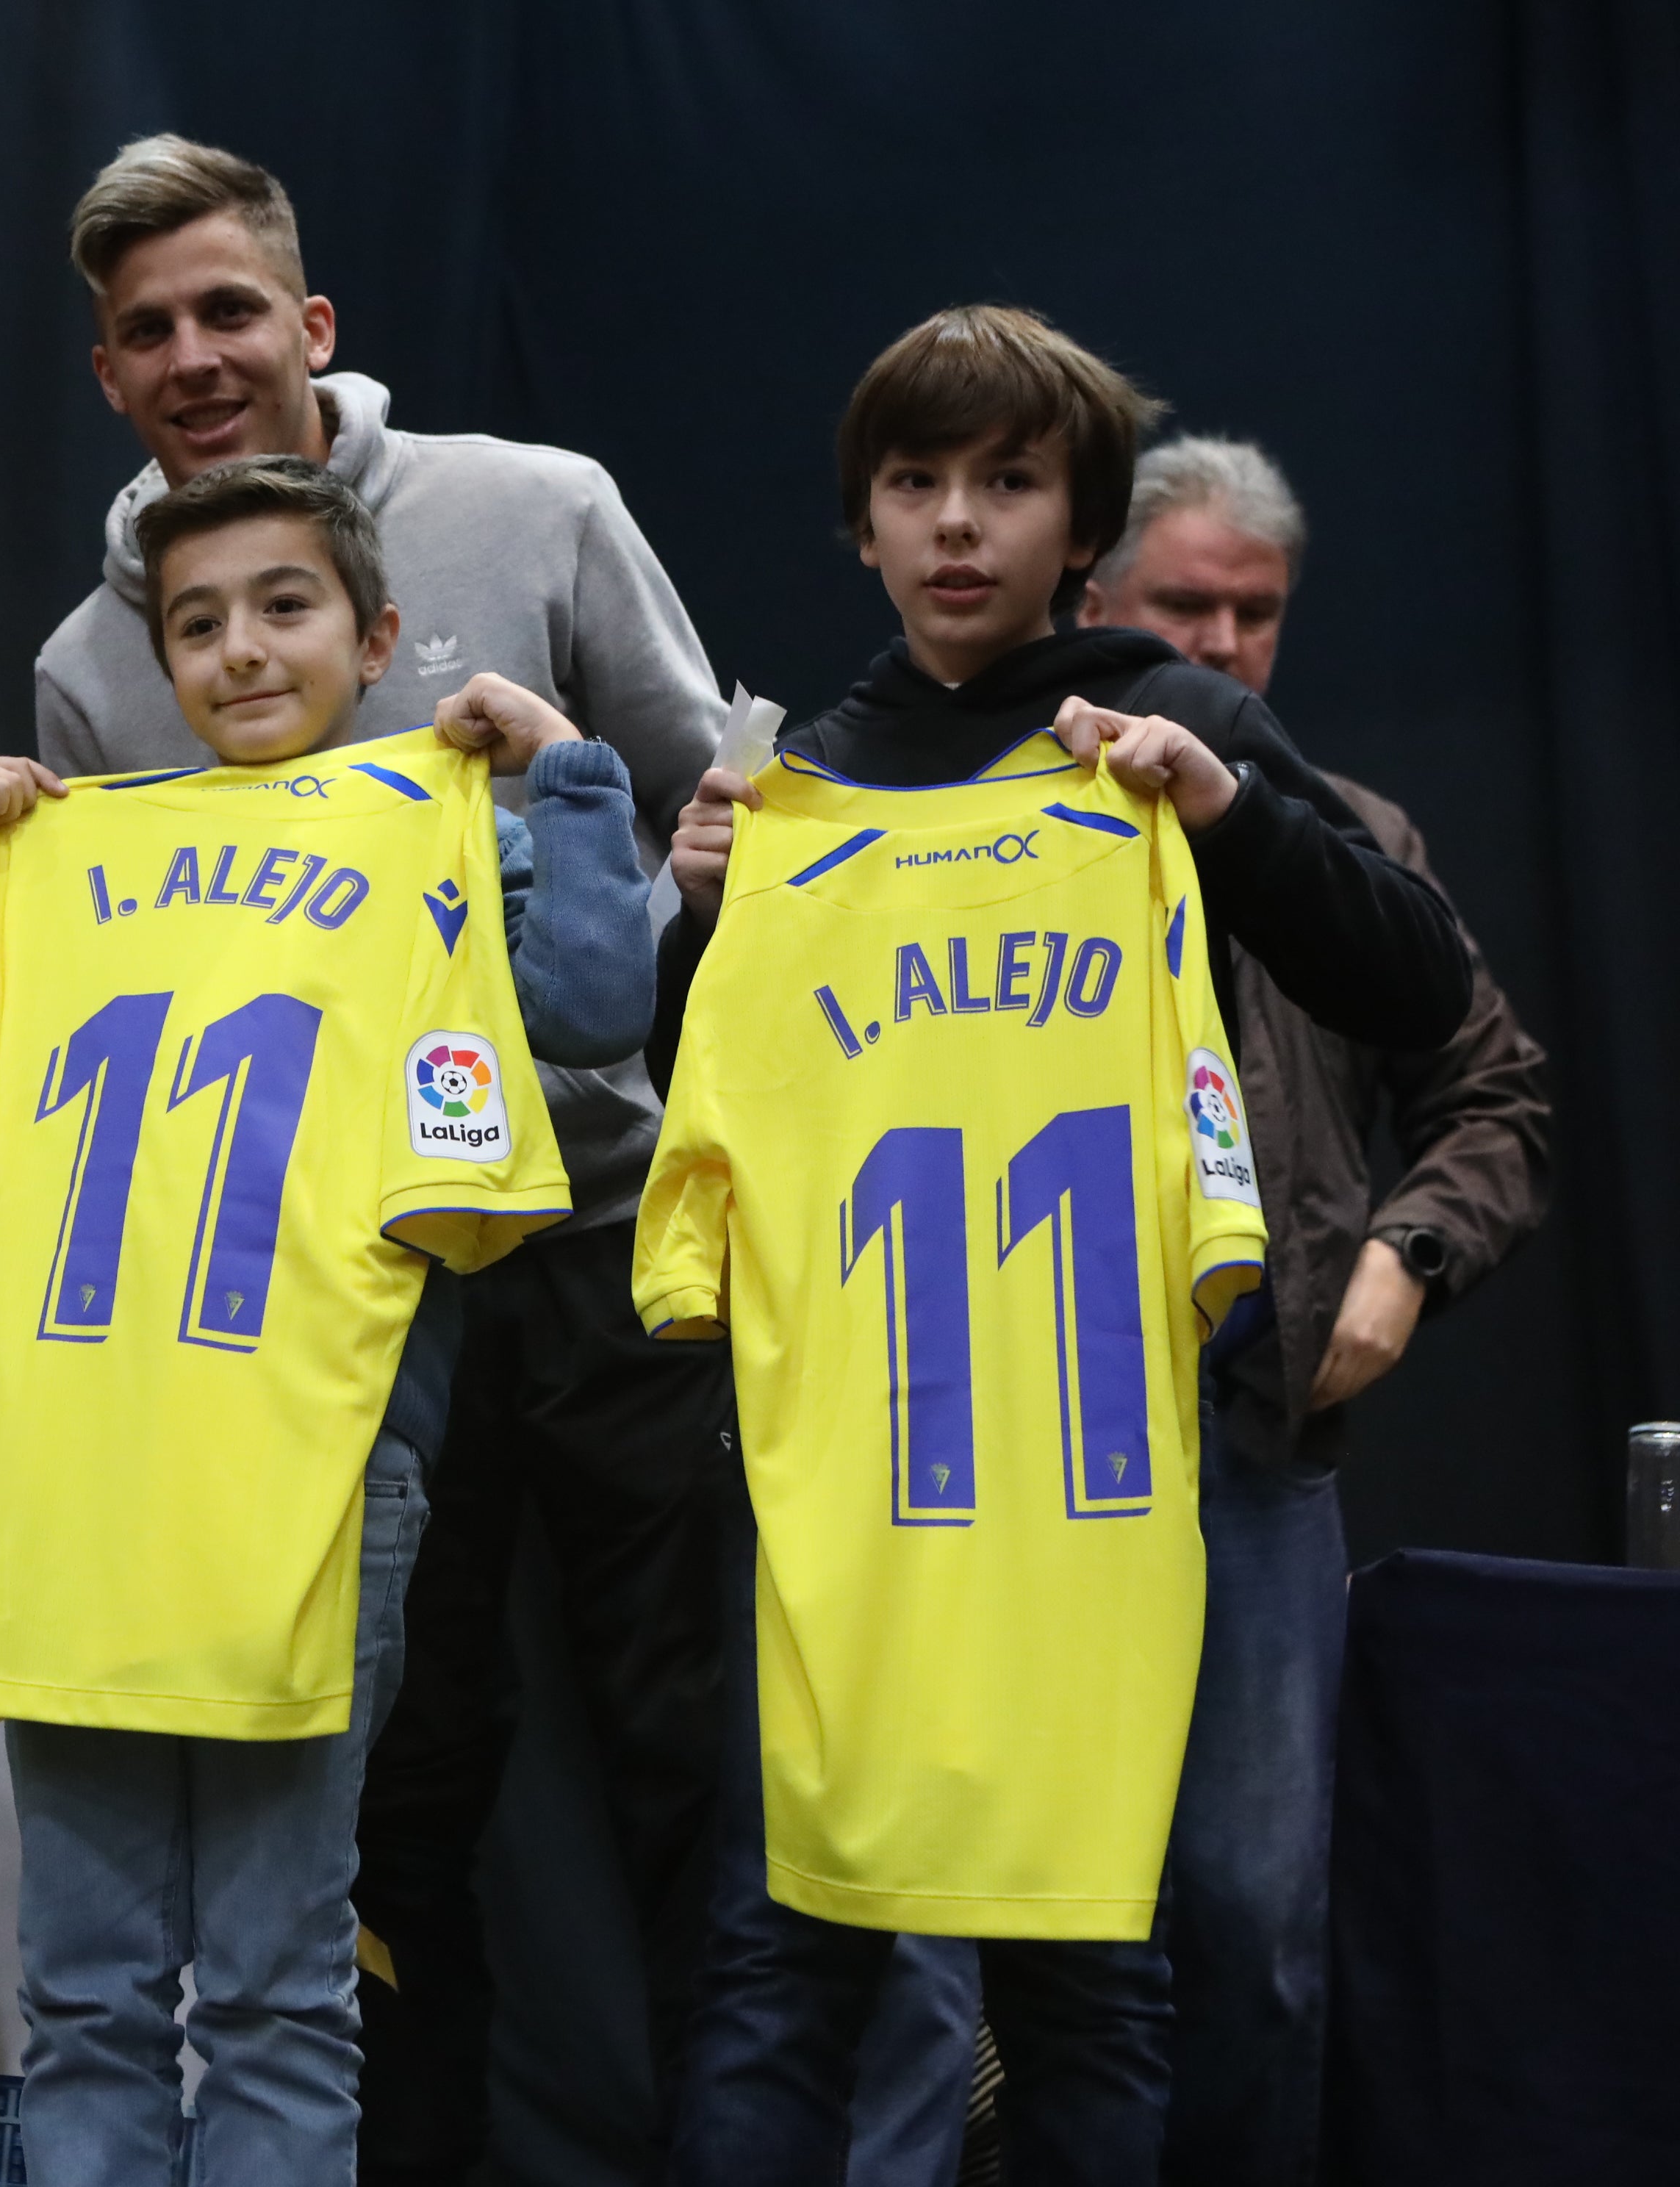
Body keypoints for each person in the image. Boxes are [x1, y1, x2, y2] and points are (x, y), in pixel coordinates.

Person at [653, 308, 1472, 2182]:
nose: (958, 524)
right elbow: (694, 1090)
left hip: (1128, 1465)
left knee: (1115, 1962)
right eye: (916, 484)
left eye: (1008, 485)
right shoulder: (808, 768)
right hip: (860, 1465)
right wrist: (701, 915)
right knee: (786, 1949)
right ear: (861, 523)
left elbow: (1421, 984)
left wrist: (1232, 816)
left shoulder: (1162, 721)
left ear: (1079, 529)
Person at [32, 132, 738, 2175]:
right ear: (106, 374)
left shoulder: (543, 511)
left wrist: (575, 834)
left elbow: (729, 829)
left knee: (674, 1742)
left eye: (228, 310)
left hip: (593, 1232)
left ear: (311, 323)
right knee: (390, 1792)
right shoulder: (89, 672)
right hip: (309, 1315)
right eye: (146, 329)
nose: (194, 354)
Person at [0, 453, 653, 2186]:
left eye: (285, 606)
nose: (242, 649)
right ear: (156, 662)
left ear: (377, 632)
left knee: (277, 1983)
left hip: (325, 1474)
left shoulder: (445, 830)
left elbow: (602, 1006)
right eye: (198, 622)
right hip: (76, 1471)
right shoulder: (66, 854)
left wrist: (571, 778)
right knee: (84, 1988)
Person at [1077, 437, 1549, 2183]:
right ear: (1099, 605)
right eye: (1184, 603)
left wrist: (1406, 1256)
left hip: (1256, 1434)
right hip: (1025, 1433)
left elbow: (1497, 1093)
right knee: (1035, 1933)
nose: (1222, 639)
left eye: (1253, 612)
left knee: (1258, 1926)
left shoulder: (1353, 837)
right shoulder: (988, 818)